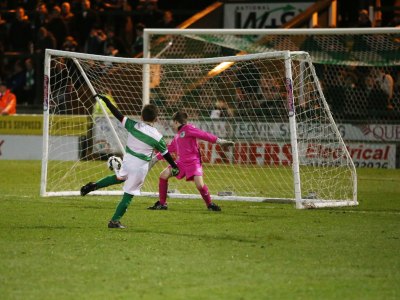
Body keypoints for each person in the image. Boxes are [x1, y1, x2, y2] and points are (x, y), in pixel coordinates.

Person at [80, 95, 179, 229]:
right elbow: (165, 153)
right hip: (140, 167)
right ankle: (114, 221)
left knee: (119, 177)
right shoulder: (157, 136)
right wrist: (174, 166)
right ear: (156, 119)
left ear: (142, 117)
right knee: (129, 195)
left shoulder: (133, 125)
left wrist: (107, 101)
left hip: (128, 160)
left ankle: (94, 185)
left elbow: (117, 114)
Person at [148, 111, 234, 212]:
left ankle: (210, 204)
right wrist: (155, 159)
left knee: (200, 185)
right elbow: (169, 149)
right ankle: (162, 204)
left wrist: (219, 141)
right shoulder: (177, 136)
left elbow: (204, 135)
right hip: (180, 164)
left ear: (176, 122)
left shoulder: (188, 128)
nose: (172, 125)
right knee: (163, 175)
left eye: (173, 123)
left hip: (193, 162)